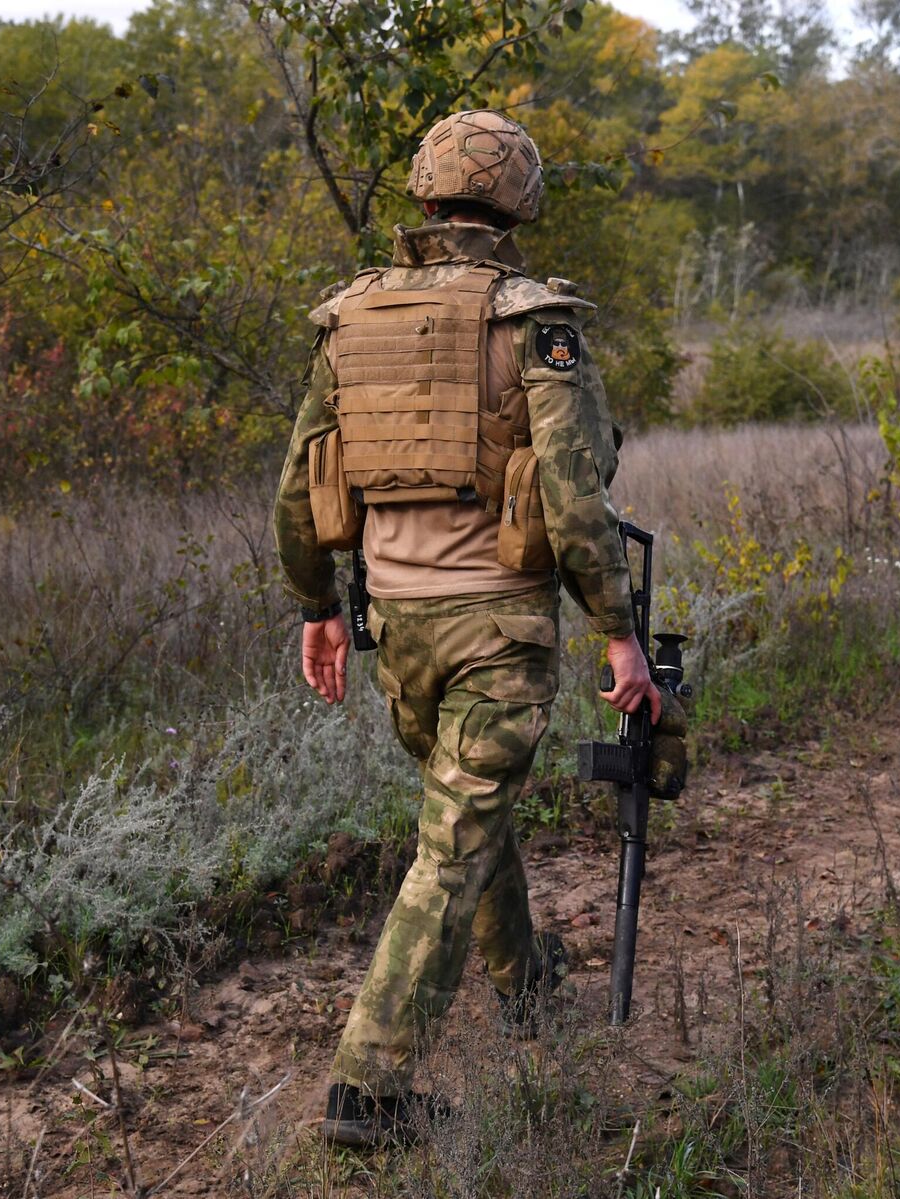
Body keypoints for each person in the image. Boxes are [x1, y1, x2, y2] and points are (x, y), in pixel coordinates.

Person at [271, 109, 660, 1148]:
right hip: (497, 627)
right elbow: (575, 499)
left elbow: (297, 487)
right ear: (520, 199)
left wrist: (316, 606)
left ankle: (527, 986)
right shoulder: (538, 321)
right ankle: (370, 1086)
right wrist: (618, 631)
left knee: (463, 820)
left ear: (425, 192)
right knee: (452, 846)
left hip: (395, 628)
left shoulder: (351, 318)